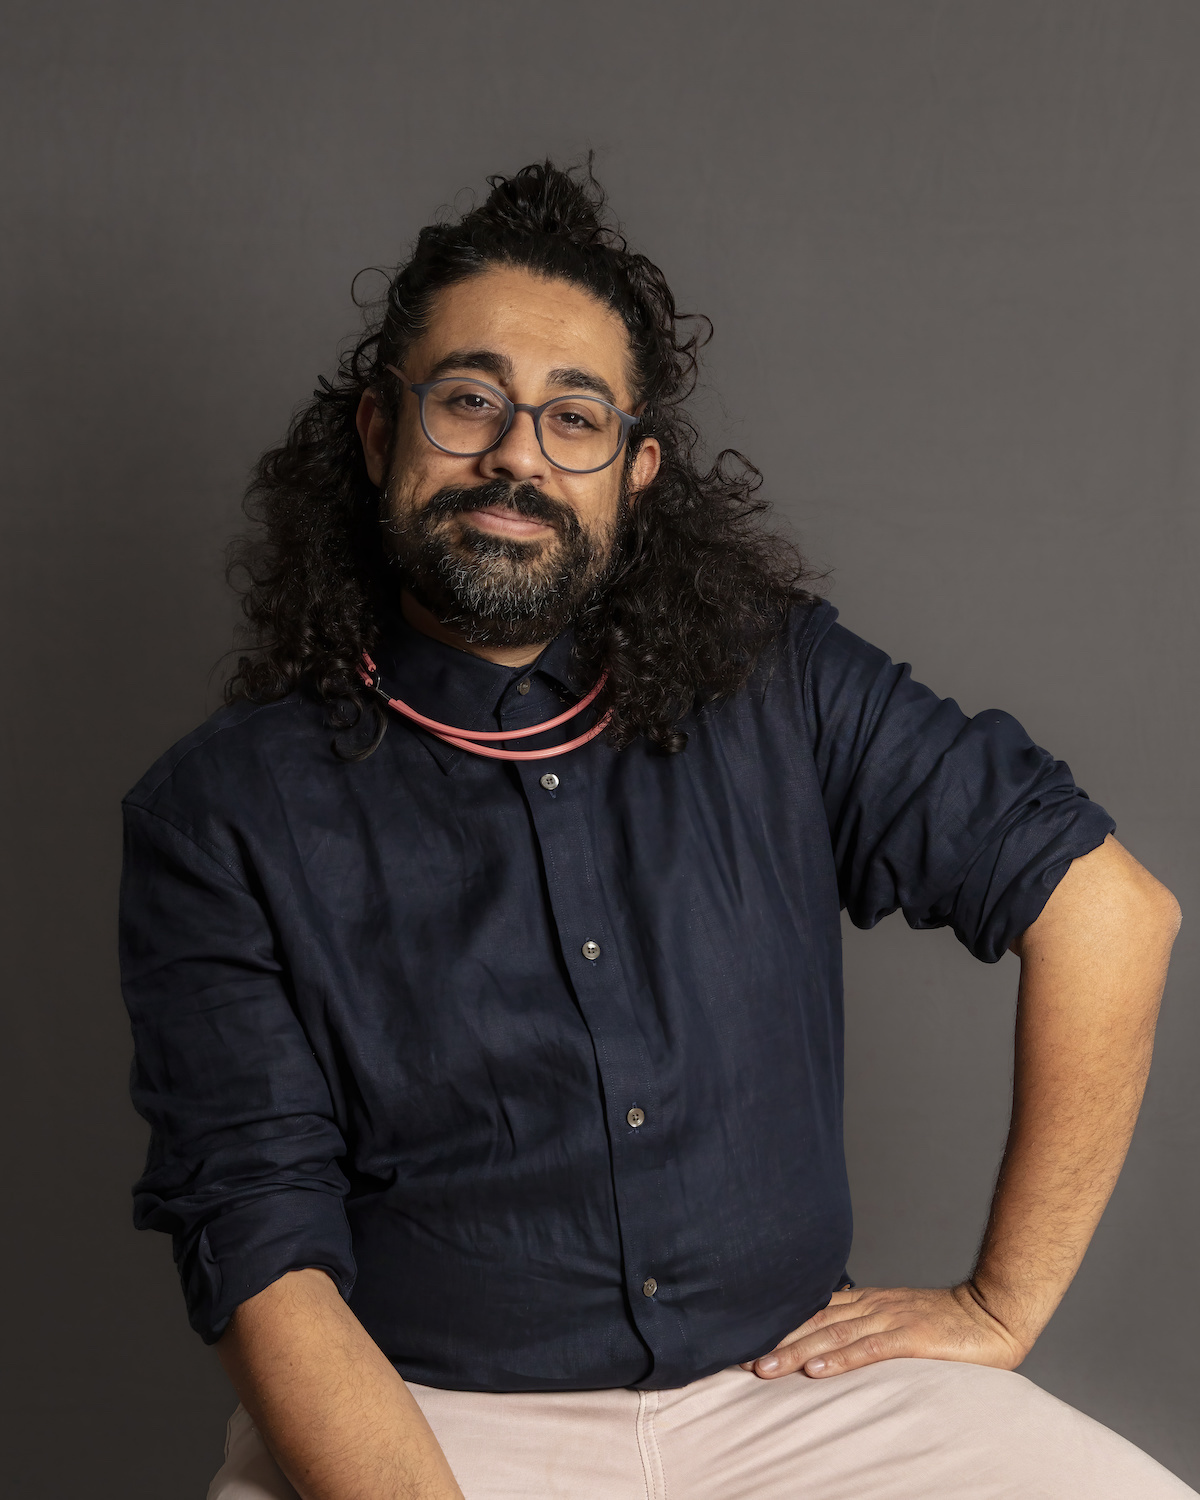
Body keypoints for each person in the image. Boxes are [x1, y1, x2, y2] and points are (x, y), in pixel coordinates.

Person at [120, 161, 1191, 1500]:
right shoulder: (220, 811)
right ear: (379, 434)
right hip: (421, 1421)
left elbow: (1110, 909)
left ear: (635, 477)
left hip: (794, 1398)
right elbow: (261, 1257)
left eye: (574, 419)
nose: (518, 451)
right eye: (470, 401)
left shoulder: (782, 681)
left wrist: (1000, 1306)